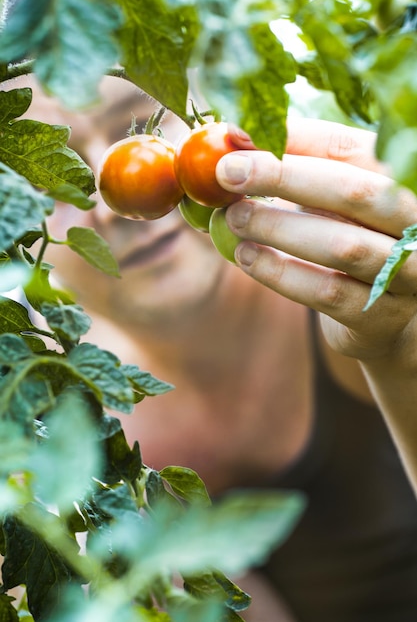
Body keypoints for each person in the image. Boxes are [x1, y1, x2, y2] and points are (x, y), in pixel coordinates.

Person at [15, 74, 417, 622]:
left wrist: (397, 354)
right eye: (51, 177)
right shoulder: (70, 444)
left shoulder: (357, 264)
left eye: (143, 127)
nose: (111, 205)